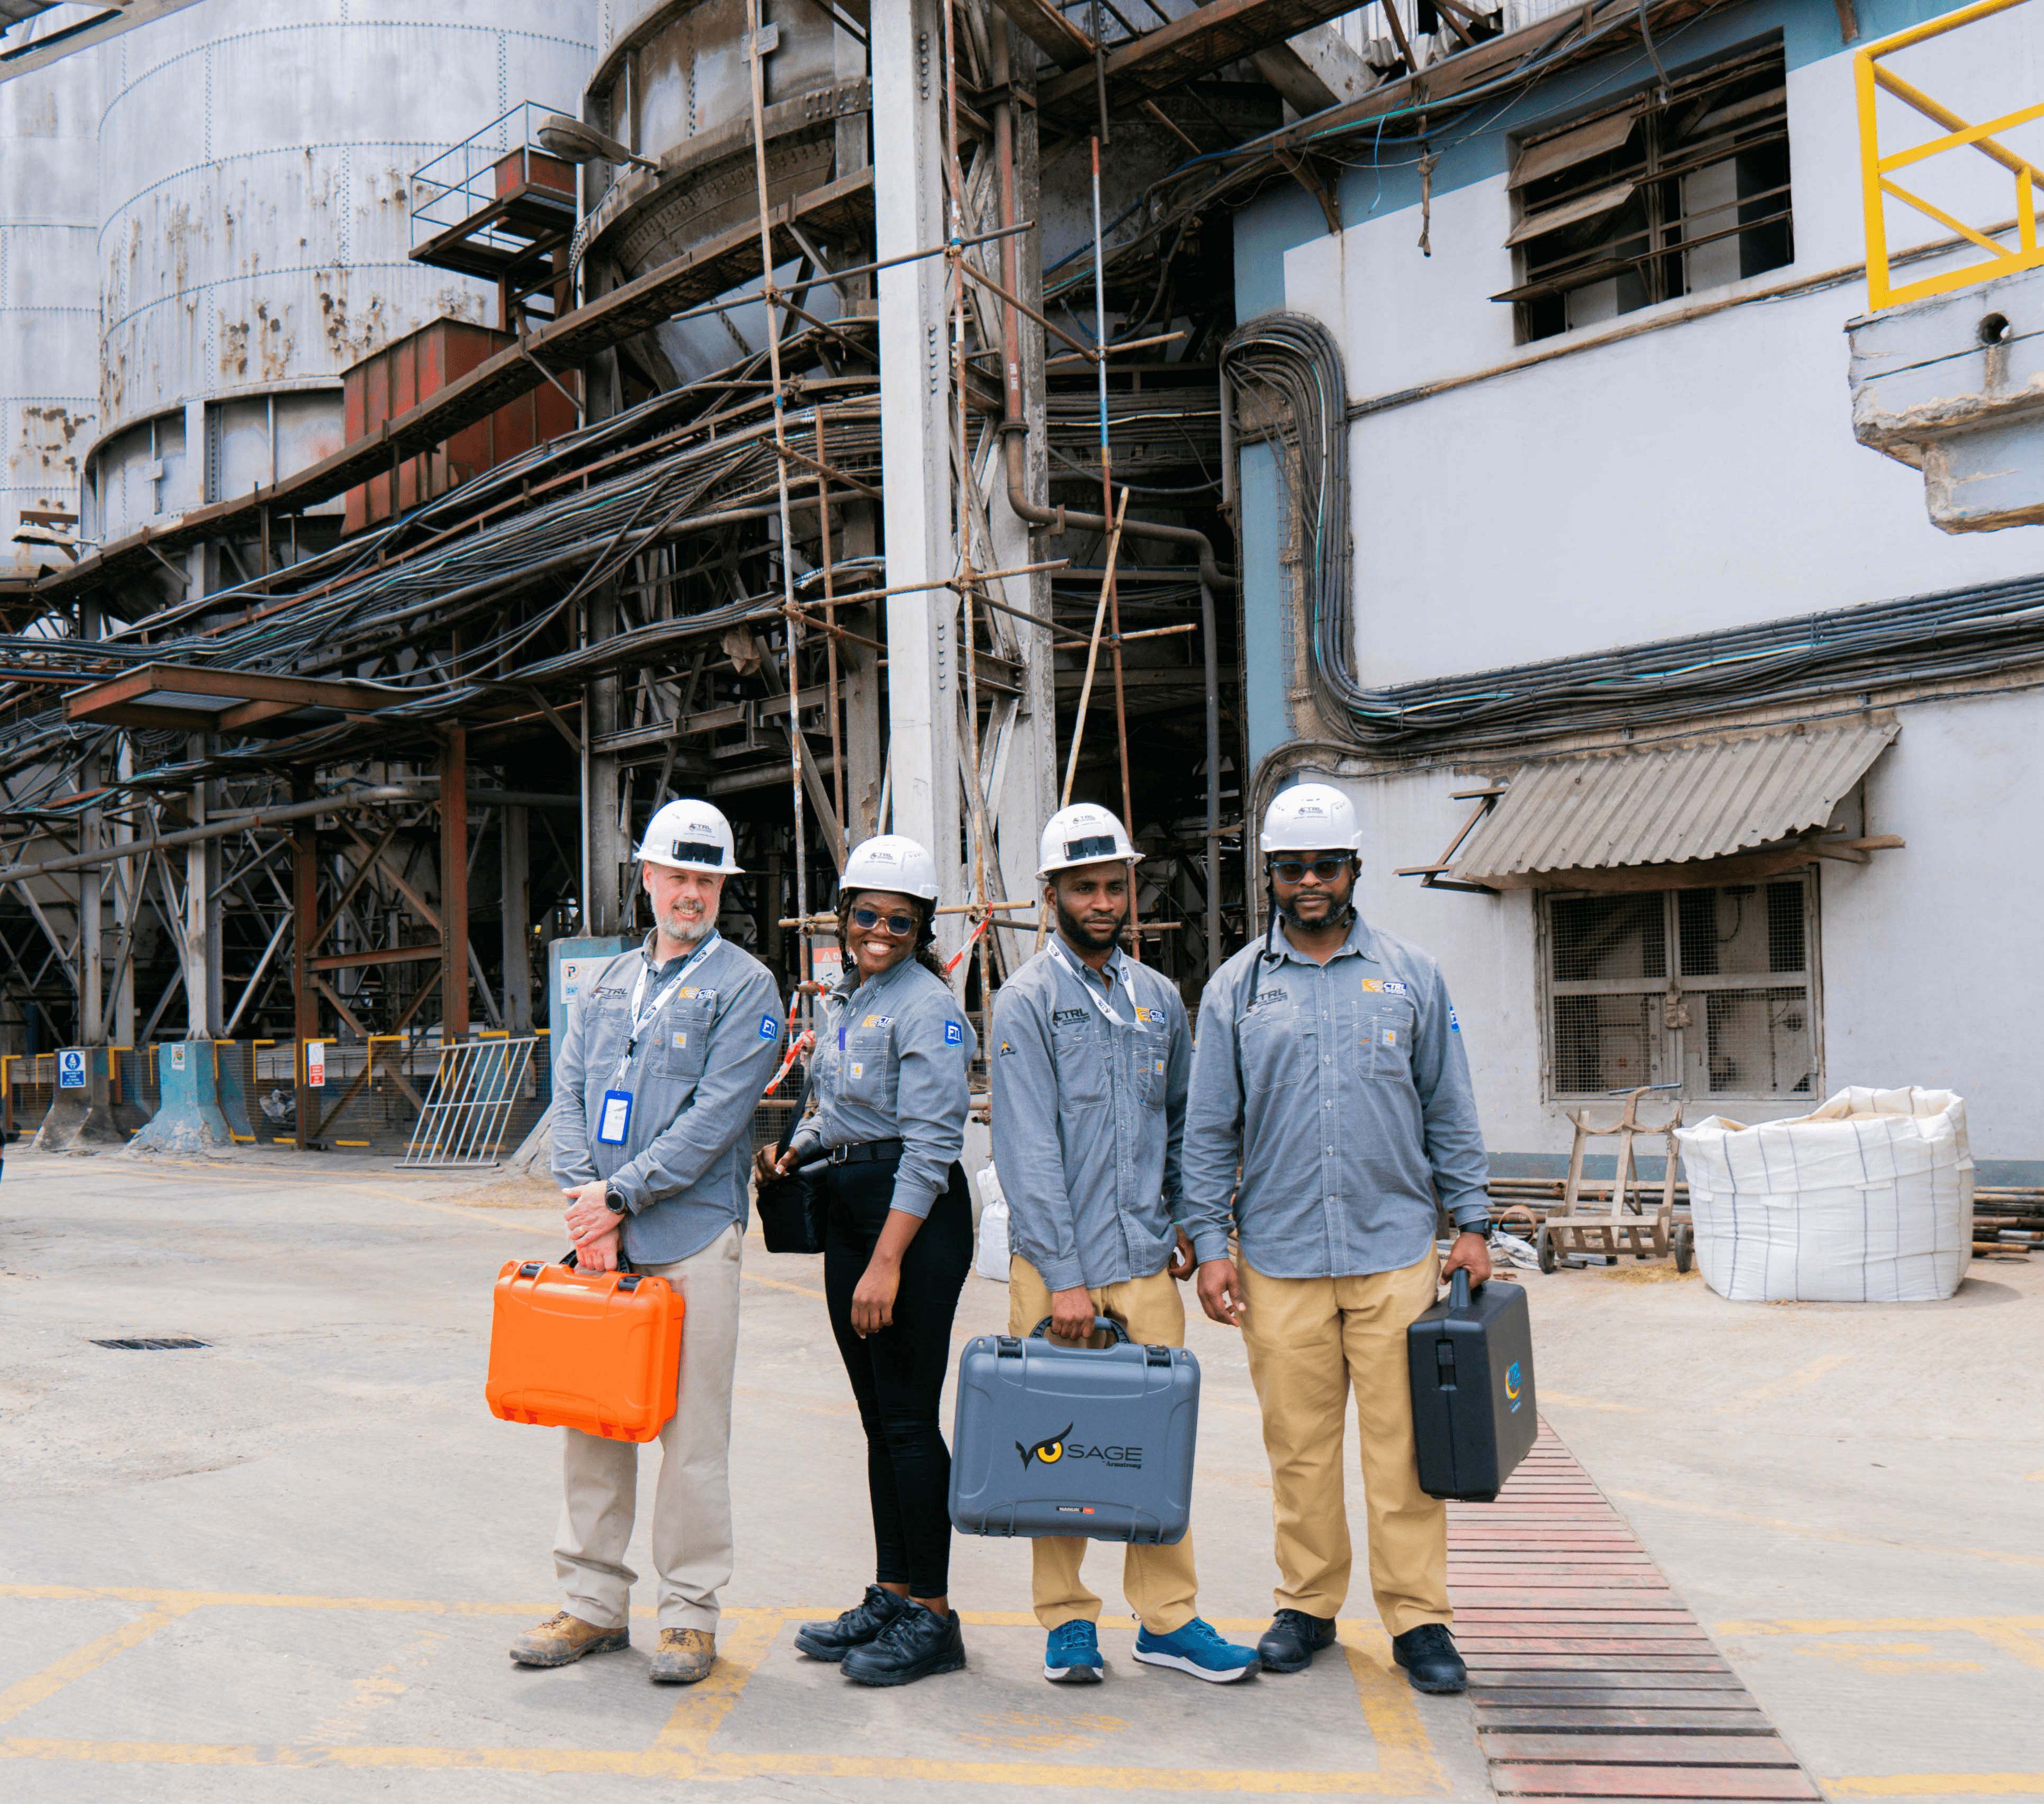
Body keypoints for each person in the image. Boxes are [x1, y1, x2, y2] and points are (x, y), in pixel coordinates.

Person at [1179, 783, 1494, 1695]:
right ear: (1268, 877)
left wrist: (1472, 1224)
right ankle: (1308, 1607)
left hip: (1394, 1250)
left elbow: (1448, 1106)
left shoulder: (1409, 976)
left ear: (1354, 869)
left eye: (1324, 866)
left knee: (1403, 1454)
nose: (1308, 882)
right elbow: (1208, 1131)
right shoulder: (1237, 990)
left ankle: (1419, 1621)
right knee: (1299, 1451)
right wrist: (1209, 1243)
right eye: (1290, 869)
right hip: (1277, 1260)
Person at [510, 799, 783, 1685]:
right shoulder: (608, 984)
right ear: (648, 879)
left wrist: (621, 1196)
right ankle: (590, 1605)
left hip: (691, 1236)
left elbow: (717, 1118)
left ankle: (689, 1616)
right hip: (604, 1243)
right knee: (591, 1426)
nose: (692, 894)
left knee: (693, 1438)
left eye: (707, 880)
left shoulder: (745, 987)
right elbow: (576, 1095)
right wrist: (586, 1209)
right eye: (679, 876)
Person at [988, 803, 1261, 1687]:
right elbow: (1026, 1151)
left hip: (1146, 1267)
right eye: (1083, 887)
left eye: (1113, 885)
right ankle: (1066, 1621)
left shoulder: (1154, 1001)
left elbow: (1184, 1125)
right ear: (1051, 895)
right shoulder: (1025, 1002)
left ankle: (1166, 1620)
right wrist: (1064, 1280)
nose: (1102, 901)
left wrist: (1190, 1219)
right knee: (1053, 1447)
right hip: (1053, 1274)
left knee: (1154, 1447)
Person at [755, 835, 978, 1686]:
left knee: (911, 1420)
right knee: (876, 1418)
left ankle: (933, 1613)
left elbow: (928, 1145)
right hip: (851, 1209)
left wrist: (886, 1261)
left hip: (910, 1223)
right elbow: (834, 1109)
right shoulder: (844, 1000)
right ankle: (892, 1589)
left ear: (920, 926)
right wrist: (796, 1151)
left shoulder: (926, 1006)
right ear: (845, 918)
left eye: (899, 918)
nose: (879, 929)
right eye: (866, 914)